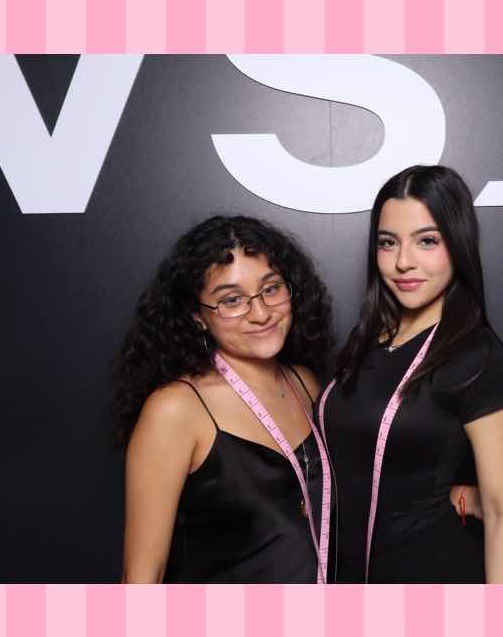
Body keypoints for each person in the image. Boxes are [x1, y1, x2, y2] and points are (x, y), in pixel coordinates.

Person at [319, 165, 503, 583]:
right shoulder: (364, 341)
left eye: (426, 241)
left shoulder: (479, 357)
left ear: (459, 244)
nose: (402, 262)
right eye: (387, 243)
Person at [116, 216, 337, 583]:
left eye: (271, 289)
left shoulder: (304, 382)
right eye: (231, 300)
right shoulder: (175, 409)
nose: (261, 313)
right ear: (197, 316)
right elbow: (141, 579)